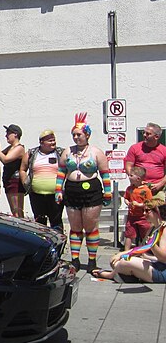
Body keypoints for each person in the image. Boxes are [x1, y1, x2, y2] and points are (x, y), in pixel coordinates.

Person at [56, 113, 111, 272]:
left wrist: (107, 192)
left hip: (91, 190)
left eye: (79, 134)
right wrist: (58, 190)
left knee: (91, 226)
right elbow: (61, 172)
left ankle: (92, 260)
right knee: (75, 227)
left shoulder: (96, 152)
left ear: (87, 135)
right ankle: (75, 259)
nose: (76, 137)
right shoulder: (68, 152)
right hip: (72, 190)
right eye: (74, 134)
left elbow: (104, 173)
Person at [91, 198, 166, 282]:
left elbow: (163, 259)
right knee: (115, 261)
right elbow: (140, 249)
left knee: (125, 262)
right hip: (151, 263)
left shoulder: (164, 230)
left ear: (157, 212)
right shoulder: (152, 228)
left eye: (147, 211)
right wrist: (121, 254)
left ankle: (111, 275)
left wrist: (153, 247)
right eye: (143, 210)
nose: (144, 213)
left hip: (162, 270)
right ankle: (130, 275)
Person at [20, 130, 65, 232]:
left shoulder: (61, 153)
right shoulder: (31, 153)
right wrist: (25, 184)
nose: (53, 143)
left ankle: (57, 246)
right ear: (41, 142)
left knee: (56, 222)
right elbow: (23, 169)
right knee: (40, 223)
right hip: (36, 195)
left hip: (56, 195)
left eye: (54, 140)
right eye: (50, 141)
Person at [0, 124, 25, 218]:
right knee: (14, 211)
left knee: (17, 211)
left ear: (15, 134)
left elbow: (5, 159)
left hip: (15, 182)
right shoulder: (10, 148)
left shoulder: (19, 148)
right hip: (9, 181)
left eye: (8, 133)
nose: (6, 136)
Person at [124, 123, 166, 194]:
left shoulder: (164, 150)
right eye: (144, 132)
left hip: (157, 186)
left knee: (158, 204)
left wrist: (161, 184)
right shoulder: (135, 148)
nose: (144, 135)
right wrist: (134, 179)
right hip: (138, 186)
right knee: (137, 204)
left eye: (148, 134)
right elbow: (128, 166)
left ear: (156, 137)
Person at [123, 167, 153, 250]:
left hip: (143, 217)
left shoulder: (146, 190)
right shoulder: (130, 189)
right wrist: (127, 202)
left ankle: (145, 250)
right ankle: (126, 251)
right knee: (129, 235)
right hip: (131, 216)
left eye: (131, 175)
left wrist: (139, 205)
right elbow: (126, 198)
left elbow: (149, 203)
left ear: (138, 178)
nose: (129, 177)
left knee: (145, 235)